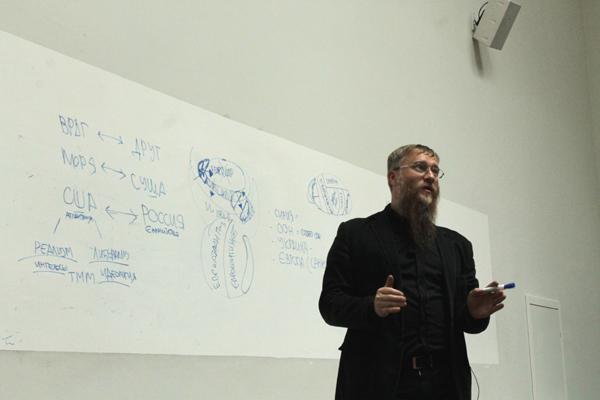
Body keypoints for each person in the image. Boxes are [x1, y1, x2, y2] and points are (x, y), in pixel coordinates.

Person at [319, 144, 507, 400]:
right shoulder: (355, 234)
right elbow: (330, 304)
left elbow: (467, 322)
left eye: (435, 171)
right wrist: (372, 306)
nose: (430, 176)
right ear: (393, 177)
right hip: (377, 385)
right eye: (420, 167)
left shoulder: (457, 246)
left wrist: (474, 312)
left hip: (445, 386)